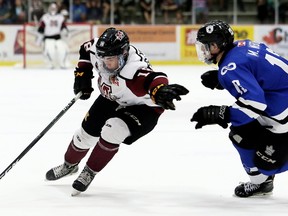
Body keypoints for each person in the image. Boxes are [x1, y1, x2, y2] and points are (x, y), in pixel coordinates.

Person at [45, 27, 189, 196]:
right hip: (112, 97)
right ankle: (69, 166)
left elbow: (153, 79)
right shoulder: (98, 48)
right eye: (102, 58)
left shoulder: (134, 68)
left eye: (111, 59)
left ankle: (90, 171)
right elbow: (85, 50)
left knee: (112, 130)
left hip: (143, 108)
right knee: (84, 135)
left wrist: (159, 90)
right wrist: (82, 75)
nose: (105, 64)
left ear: (124, 54)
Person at [190, 20, 288, 198]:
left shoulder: (230, 67)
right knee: (241, 132)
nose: (203, 51)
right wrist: (222, 79)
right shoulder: (243, 45)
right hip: (280, 104)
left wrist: (220, 113)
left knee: (267, 164)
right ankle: (261, 183)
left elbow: (255, 104)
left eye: (206, 47)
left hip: (282, 117)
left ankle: (263, 178)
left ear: (216, 45)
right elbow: (261, 72)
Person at [36, 3, 69, 69]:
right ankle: (50, 64)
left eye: (54, 8)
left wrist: (65, 31)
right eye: (52, 8)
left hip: (58, 38)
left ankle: (62, 63)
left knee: (63, 50)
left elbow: (64, 27)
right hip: (48, 38)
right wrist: (39, 37)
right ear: (49, 9)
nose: (53, 10)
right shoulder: (45, 17)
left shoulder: (60, 17)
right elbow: (41, 28)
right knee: (50, 51)